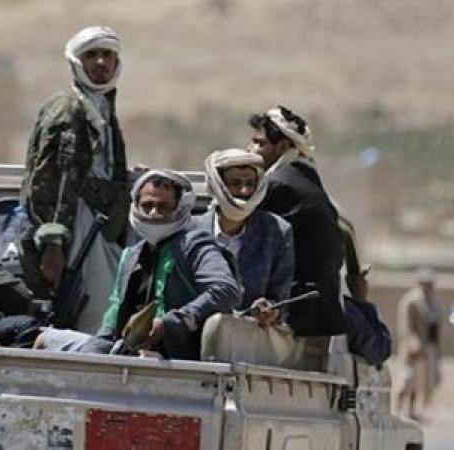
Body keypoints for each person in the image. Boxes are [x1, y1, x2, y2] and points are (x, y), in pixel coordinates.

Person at [34, 170, 242, 360]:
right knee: (43, 339)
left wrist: (171, 323)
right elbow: (112, 319)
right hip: (124, 351)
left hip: (173, 359)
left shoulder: (194, 245)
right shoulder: (131, 255)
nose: (153, 213)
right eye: (147, 206)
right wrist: (95, 357)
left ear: (179, 208)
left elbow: (225, 290)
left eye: (162, 207)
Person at [19, 26, 131, 333]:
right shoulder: (68, 108)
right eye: (91, 55)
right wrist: (53, 243)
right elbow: (49, 180)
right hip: (76, 230)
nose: (100, 63)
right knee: (86, 320)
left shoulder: (101, 105)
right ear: (77, 62)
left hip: (99, 228)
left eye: (107, 55)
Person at [248, 106, 345, 338]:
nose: (251, 150)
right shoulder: (305, 178)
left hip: (296, 315)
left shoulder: (280, 186)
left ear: (282, 147)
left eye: (259, 143)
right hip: (318, 313)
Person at [194, 148, 294, 322]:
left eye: (250, 184)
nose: (244, 191)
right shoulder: (190, 232)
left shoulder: (276, 231)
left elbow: (281, 300)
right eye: (235, 183)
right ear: (218, 185)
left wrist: (270, 311)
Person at [396, 268, 442, 420]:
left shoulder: (433, 302)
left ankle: (411, 410)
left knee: (419, 382)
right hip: (412, 349)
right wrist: (412, 341)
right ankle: (397, 409)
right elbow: (405, 326)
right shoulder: (411, 301)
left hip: (427, 347)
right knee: (406, 379)